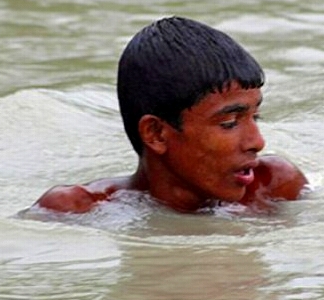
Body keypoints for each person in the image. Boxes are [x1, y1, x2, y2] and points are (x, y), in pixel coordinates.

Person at [33, 16, 307, 214]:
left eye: (255, 117)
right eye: (229, 123)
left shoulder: (274, 186)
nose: (257, 142)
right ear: (156, 134)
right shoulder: (78, 211)